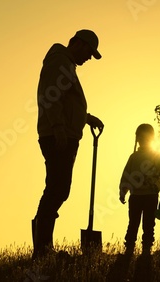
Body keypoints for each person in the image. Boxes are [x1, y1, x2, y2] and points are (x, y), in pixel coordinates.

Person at [32, 29, 104, 260]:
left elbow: (67, 102)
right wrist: (58, 127)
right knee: (57, 189)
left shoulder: (66, 65)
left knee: (58, 189)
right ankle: (42, 249)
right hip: (58, 136)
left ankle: (43, 247)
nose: (89, 58)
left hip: (64, 133)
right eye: (89, 52)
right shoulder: (59, 61)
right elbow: (50, 96)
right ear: (77, 44)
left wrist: (86, 117)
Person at [119, 124, 160, 256]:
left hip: (150, 196)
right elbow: (127, 175)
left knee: (148, 224)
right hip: (138, 196)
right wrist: (123, 191)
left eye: (144, 138)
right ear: (138, 139)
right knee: (134, 223)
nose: (142, 140)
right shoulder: (134, 157)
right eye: (140, 137)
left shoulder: (155, 157)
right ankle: (130, 247)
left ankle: (145, 248)